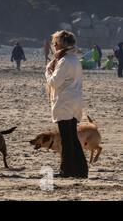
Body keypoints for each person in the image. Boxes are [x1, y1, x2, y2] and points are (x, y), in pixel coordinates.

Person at [45, 30, 88, 178]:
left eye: (55, 43)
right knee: (72, 138)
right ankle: (81, 169)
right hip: (74, 102)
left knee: (66, 138)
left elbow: (54, 82)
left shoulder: (64, 61)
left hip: (65, 103)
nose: (54, 46)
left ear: (61, 44)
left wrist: (47, 71)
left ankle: (67, 169)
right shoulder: (74, 59)